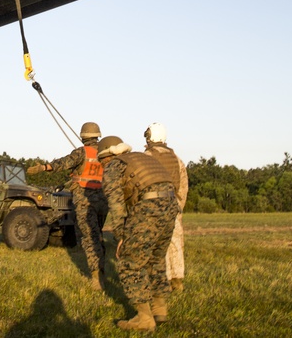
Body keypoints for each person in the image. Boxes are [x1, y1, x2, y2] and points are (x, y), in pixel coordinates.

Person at [97, 135, 178, 331]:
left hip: (148, 207)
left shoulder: (113, 167)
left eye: (101, 161)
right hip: (171, 206)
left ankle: (144, 318)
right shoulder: (142, 158)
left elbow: (116, 206)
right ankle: (160, 308)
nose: (101, 166)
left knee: (130, 263)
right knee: (155, 259)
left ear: (106, 156)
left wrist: (121, 236)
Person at [28, 122, 108, 290]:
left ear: (83, 136)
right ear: (97, 136)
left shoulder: (81, 152)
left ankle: (95, 278)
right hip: (103, 199)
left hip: (85, 200)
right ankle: (103, 271)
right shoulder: (105, 153)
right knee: (98, 235)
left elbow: (62, 164)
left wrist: (43, 167)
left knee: (89, 238)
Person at [144, 122, 189, 292]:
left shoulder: (146, 156)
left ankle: (162, 279)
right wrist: (178, 206)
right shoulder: (176, 159)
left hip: (152, 206)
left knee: (156, 243)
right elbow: (183, 186)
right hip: (173, 204)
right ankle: (177, 280)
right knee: (175, 242)